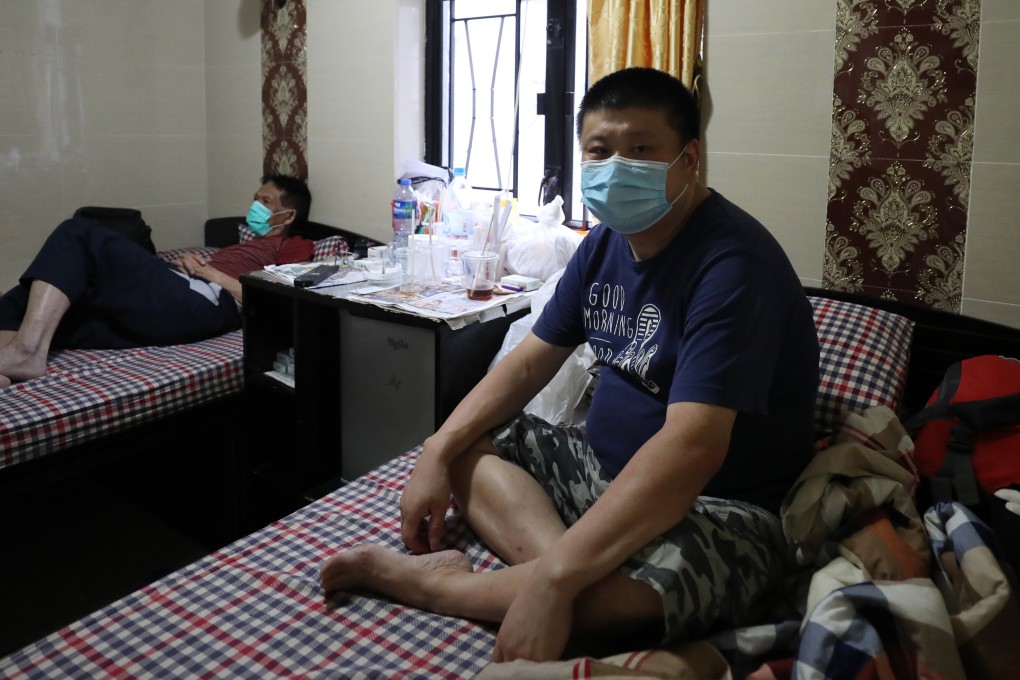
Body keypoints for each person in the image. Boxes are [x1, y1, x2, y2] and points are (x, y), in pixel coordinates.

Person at [320, 67, 820, 662]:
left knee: (634, 599)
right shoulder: (605, 243)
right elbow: (529, 365)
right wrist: (436, 447)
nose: (616, 167)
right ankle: (566, 575)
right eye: (600, 151)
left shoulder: (732, 265)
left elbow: (693, 447)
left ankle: (436, 583)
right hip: (597, 469)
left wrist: (557, 581)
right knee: (472, 440)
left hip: (719, 506)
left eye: (640, 149)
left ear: (688, 161)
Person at [0, 174, 314, 387]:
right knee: (31, 295)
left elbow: (280, 297)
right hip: (180, 287)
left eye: (266, 202)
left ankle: (27, 353)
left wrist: (209, 273)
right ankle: (8, 365)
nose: (255, 206)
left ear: (287, 216)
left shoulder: (295, 244)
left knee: (79, 232)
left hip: (209, 300)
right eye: (255, 198)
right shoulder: (242, 243)